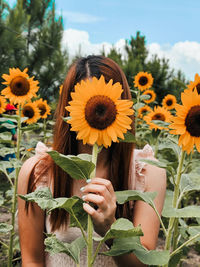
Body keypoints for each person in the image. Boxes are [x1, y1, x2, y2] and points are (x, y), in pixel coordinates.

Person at [17, 55, 166, 267]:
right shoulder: (38, 172)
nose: (99, 114)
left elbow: (145, 263)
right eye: (88, 105)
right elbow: (32, 260)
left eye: (106, 105)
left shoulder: (147, 172)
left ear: (121, 107)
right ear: (69, 110)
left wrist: (110, 229)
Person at [0, 103, 17, 173]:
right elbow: (15, 136)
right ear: (9, 112)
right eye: (13, 111)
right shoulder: (9, 122)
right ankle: (11, 178)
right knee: (12, 163)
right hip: (8, 147)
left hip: (1, 146)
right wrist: (16, 144)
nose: (14, 113)